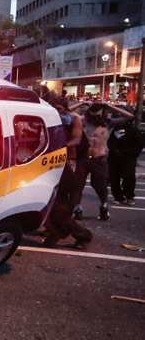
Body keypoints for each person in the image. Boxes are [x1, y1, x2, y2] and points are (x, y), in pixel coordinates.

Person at [69, 101, 133, 220]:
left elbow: (129, 116)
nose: (96, 118)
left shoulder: (107, 124)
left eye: (98, 116)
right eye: (93, 116)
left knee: (101, 187)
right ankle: (77, 208)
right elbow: (66, 111)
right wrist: (81, 103)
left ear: (103, 114)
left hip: (99, 158)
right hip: (83, 158)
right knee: (77, 185)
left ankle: (103, 206)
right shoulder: (83, 121)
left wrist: (109, 106)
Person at [43, 97, 93, 250]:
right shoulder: (49, 120)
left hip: (67, 165)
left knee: (61, 208)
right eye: (54, 108)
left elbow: (76, 140)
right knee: (43, 204)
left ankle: (83, 235)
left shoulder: (73, 121)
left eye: (59, 108)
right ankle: (56, 231)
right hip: (49, 164)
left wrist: (57, 148)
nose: (56, 111)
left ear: (65, 109)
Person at [108, 116, 143, 206]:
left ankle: (129, 197)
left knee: (129, 178)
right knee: (114, 178)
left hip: (129, 158)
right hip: (115, 158)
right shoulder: (116, 130)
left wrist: (129, 152)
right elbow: (111, 143)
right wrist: (115, 151)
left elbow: (139, 145)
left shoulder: (134, 131)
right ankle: (118, 197)